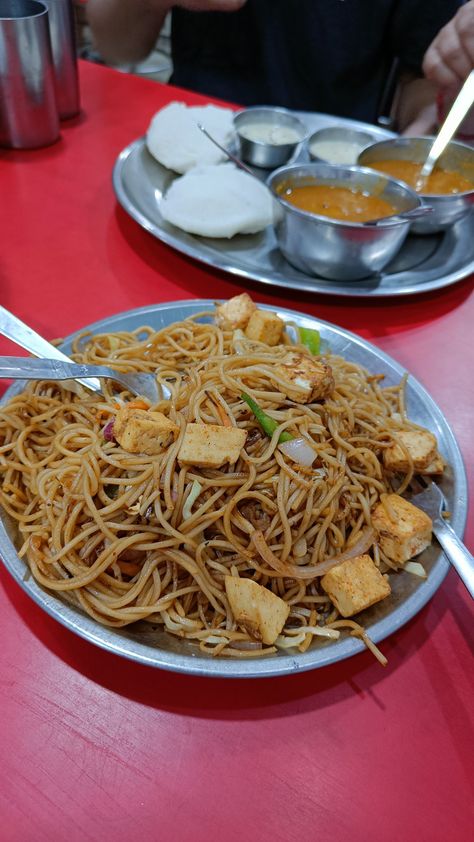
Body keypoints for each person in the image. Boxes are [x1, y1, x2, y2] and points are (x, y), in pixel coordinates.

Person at [86, 0, 463, 132]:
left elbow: (422, 82)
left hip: (336, 171)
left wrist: (431, 125)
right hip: (197, 142)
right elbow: (117, 47)